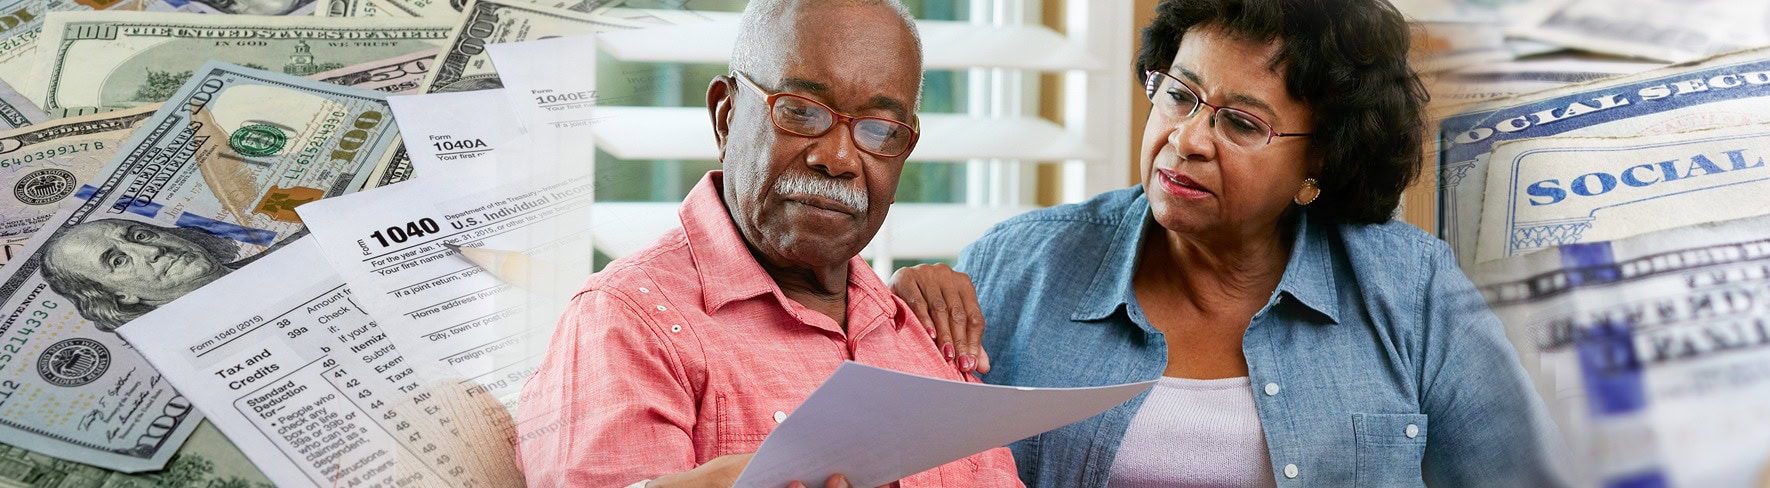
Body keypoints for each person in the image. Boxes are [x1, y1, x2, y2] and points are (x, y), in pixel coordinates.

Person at [890, 0, 1567, 486]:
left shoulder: (1411, 288)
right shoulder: (1018, 265)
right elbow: (908, 461)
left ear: (1321, 160)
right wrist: (891, 329)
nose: (1186, 139)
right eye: (1179, 96)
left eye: (1241, 124)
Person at [514, 1, 1022, 487]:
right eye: (801, 112)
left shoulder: (927, 334)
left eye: (877, 128)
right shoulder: (627, 323)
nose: (839, 158)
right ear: (726, 116)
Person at [35, 218, 242, 330]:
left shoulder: (274, 256)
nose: (152, 251)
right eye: (119, 261)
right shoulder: (188, 342)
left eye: (140, 236)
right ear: (119, 295)